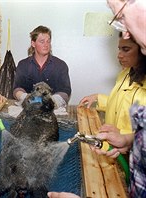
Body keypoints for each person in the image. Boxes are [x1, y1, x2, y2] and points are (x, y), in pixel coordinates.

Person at [48, 0, 146, 197]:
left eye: (122, 17)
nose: (125, 31)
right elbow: (119, 101)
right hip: (125, 153)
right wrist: (128, 140)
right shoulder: (126, 74)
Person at [79, 33, 146, 136]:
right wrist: (98, 98)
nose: (119, 55)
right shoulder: (125, 74)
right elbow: (121, 105)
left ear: (143, 50)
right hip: (112, 144)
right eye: (119, 49)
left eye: (126, 49)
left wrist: (122, 135)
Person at [12, 25, 71, 108]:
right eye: (42, 41)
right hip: (28, 109)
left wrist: (52, 102)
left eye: (48, 41)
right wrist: (28, 99)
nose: (46, 45)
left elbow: (66, 91)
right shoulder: (23, 65)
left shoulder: (61, 65)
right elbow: (17, 88)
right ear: (33, 43)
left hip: (53, 110)